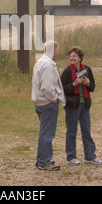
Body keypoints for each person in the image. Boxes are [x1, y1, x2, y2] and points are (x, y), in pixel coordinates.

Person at [60, 46, 101, 165]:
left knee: (86, 131)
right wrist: (74, 84)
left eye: (74, 56)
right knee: (71, 131)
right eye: (70, 56)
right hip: (73, 105)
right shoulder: (67, 71)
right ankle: (71, 157)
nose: (72, 58)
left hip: (85, 104)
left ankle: (90, 156)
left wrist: (88, 83)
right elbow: (62, 89)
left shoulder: (86, 69)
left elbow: (92, 87)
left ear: (80, 58)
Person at [32, 40, 66, 171]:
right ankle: (43, 161)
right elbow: (46, 86)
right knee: (47, 133)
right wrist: (54, 98)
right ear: (54, 50)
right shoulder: (47, 65)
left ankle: (44, 157)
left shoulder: (40, 62)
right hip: (47, 103)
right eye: (57, 50)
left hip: (41, 102)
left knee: (45, 131)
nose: (57, 53)